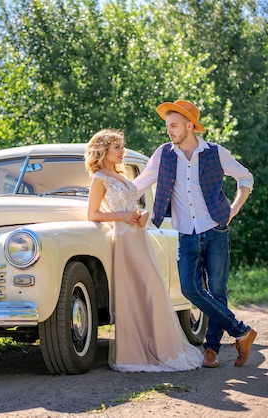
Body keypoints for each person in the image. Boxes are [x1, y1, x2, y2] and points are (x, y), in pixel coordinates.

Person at [134, 100, 257, 368]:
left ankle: (211, 350)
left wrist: (234, 209)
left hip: (216, 229)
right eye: (167, 126)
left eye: (174, 125)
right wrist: (111, 198)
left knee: (218, 290)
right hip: (186, 233)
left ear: (190, 126)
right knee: (191, 288)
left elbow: (245, 177)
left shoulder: (215, 152)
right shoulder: (163, 154)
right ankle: (242, 332)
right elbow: (139, 184)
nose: (169, 131)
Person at [85, 128, 203, 372]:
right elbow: (93, 214)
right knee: (137, 293)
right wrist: (124, 216)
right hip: (125, 239)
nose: (122, 151)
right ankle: (135, 353)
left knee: (153, 290)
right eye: (117, 147)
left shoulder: (122, 175)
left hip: (139, 236)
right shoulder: (99, 178)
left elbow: (133, 202)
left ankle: (162, 349)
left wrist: (143, 212)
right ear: (103, 150)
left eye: (121, 146)